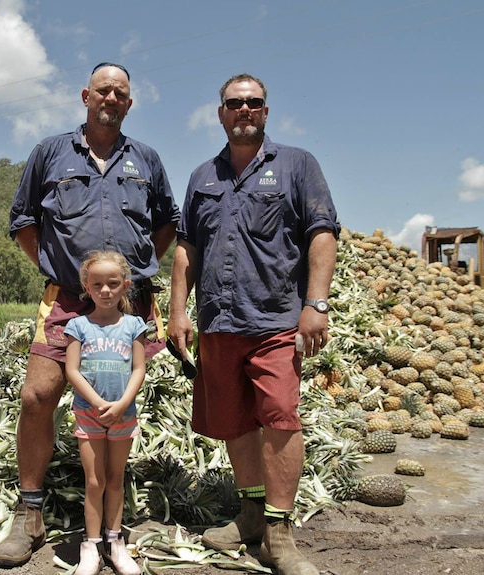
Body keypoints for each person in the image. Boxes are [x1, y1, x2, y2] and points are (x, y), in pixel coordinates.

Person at [0, 62, 180, 568]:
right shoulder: (51, 153)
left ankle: (111, 522)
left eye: (121, 93)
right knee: (38, 395)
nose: (112, 98)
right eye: (104, 90)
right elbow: (23, 221)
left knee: (120, 400)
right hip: (68, 300)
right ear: (85, 96)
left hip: (127, 302)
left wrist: (136, 271)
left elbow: (167, 222)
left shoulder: (147, 159)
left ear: (129, 102)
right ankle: (29, 514)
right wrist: (59, 270)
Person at [167, 74, 339, 575]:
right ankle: (249, 515)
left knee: (280, 418)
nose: (245, 109)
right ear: (220, 113)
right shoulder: (202, 175)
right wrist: (178, 310)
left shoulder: (297, 165)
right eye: (235, 103)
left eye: (254, 102)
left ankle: (280, 533)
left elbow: (322, 234)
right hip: (219, 320)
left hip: (276, 320)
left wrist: (317, 303)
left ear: (266, 111)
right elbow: (187, 249)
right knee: (235, 423)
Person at [64, 250, 145, 575]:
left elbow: (138, 369)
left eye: (113, 283)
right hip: (89, 414)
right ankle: (91, 546)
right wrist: (98, 403)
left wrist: (123, 402)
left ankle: (115, 543)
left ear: (125, 285)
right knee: (94, 481)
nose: (106, 290)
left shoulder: (134, 326)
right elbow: (72, 371)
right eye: (98, 284)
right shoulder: (77, 326)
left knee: (115, 478)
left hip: (124, 415)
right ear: (86, 286)